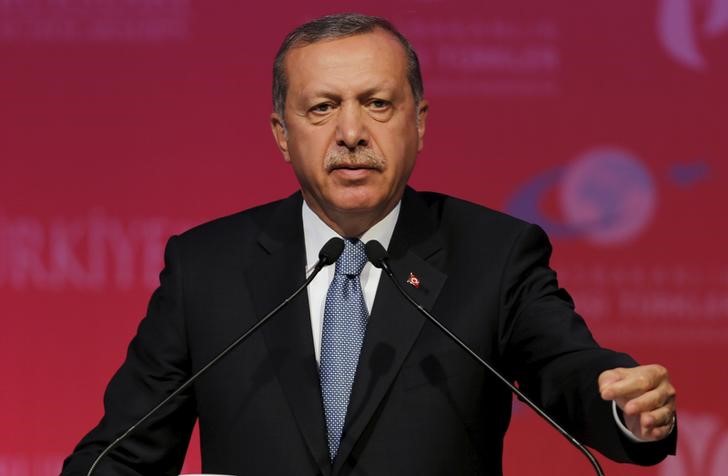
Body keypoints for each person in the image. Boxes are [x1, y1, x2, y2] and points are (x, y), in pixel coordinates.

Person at [62, 13, 677, 475]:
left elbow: (566, 368)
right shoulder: (206, 267)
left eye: (377, 104)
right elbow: (121, 452)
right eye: (323, 107)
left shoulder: (494, 254)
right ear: (282, 133)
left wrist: (624, 404)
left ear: (420, 122)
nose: (351, 132)